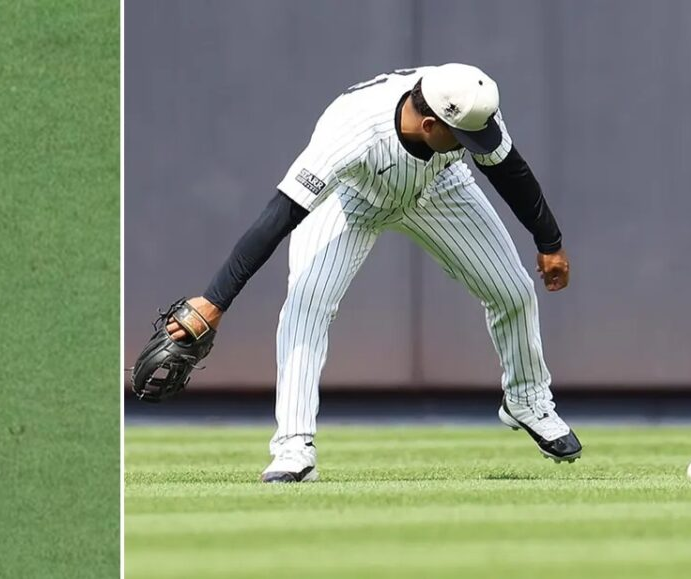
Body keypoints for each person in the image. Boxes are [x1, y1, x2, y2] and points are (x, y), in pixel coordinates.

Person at [163, 64, 581, 483]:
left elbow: (508, 169)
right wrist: (216, 300)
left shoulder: (467, 101)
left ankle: (527, 400)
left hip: (440, 188)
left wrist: (550, 241)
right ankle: (293, 445)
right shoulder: (352, 131)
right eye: (463, 138)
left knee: (512, 290)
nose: (473, 143)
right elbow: (280, 214)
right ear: (430, 123)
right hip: (350, 198)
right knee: (307, 304)